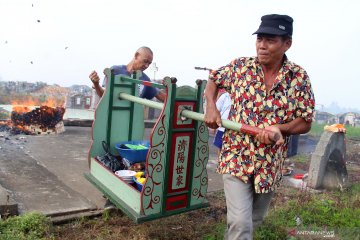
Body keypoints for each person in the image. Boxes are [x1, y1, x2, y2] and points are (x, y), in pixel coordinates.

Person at [204, 14, 315, 239]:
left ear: (287, 44)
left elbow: (306, 121)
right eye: (259, 39)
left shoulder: (298, 78)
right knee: (241, 223)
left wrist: (280, 128)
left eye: (270, 40)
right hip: (236, 156)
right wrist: (211, 106)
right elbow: (214, 79)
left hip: (270, 163)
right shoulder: (240, 67)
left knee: (252, 221)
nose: (262, 46)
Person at [89, 46, 166, 102]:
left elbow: (161, 96)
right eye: (145, 61)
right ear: (136, 55)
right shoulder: (115, 70)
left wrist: (171, 89)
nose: (146, 66)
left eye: (149, 63)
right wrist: (96, 84)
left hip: (133, 121)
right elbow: (104, 95)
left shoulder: (145, 79)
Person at [213, 89, 231, 156]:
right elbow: (217, 109)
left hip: (233, 128)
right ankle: (219, 164)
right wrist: (215, 127)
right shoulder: (225, 96)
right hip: (222, 127)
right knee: (220, 147)